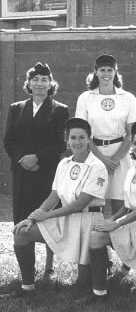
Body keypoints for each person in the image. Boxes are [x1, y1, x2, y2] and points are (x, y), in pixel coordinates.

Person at [2, 118, 108, 298]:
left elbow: (80, 204)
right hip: (65, 219)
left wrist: (47, 215)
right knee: (21, 232)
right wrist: (33, 217)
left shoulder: (98, 167)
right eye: (73, 137)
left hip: (88, 221)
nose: (77, 142)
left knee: (84, 284)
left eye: (82, 137)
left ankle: (95, 285)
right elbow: (54, 196)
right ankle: (27, 288)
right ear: (67, 140)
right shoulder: (64, 164)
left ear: (90, 139)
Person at [84, 120, 136, 302]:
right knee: (97, 237)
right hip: (131, 223)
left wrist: (117, 223)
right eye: (135, 143)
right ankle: (99, 292)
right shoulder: (133, 169)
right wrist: (111, 220)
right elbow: (127, 205)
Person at [3, 62, 69, 275]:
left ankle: (49, 265)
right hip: (23, 173)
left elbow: (59, 143)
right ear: (28, 83)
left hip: (46, 172)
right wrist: (23, 159)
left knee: (46, 217)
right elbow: (9, 141)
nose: (40, 84)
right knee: (23, 218)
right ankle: (27, 270)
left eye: (44, 80)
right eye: (35, 80)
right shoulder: (16, 108)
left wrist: (37, 158)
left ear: (51, 84)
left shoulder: (59, 110)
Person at [76, 54, 136, 215]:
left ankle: (119, 239)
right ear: (95, 72)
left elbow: (132, 132)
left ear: (115, 72)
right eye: (102, 70)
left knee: (121, 201)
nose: (106, 74)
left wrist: (116, 159)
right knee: (95, 202)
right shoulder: (85, 97)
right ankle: (98, 239)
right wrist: (102, 160)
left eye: (110, 70)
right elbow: (82, 132)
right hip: (94, 154)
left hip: (121, 155)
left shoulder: (128, 98)